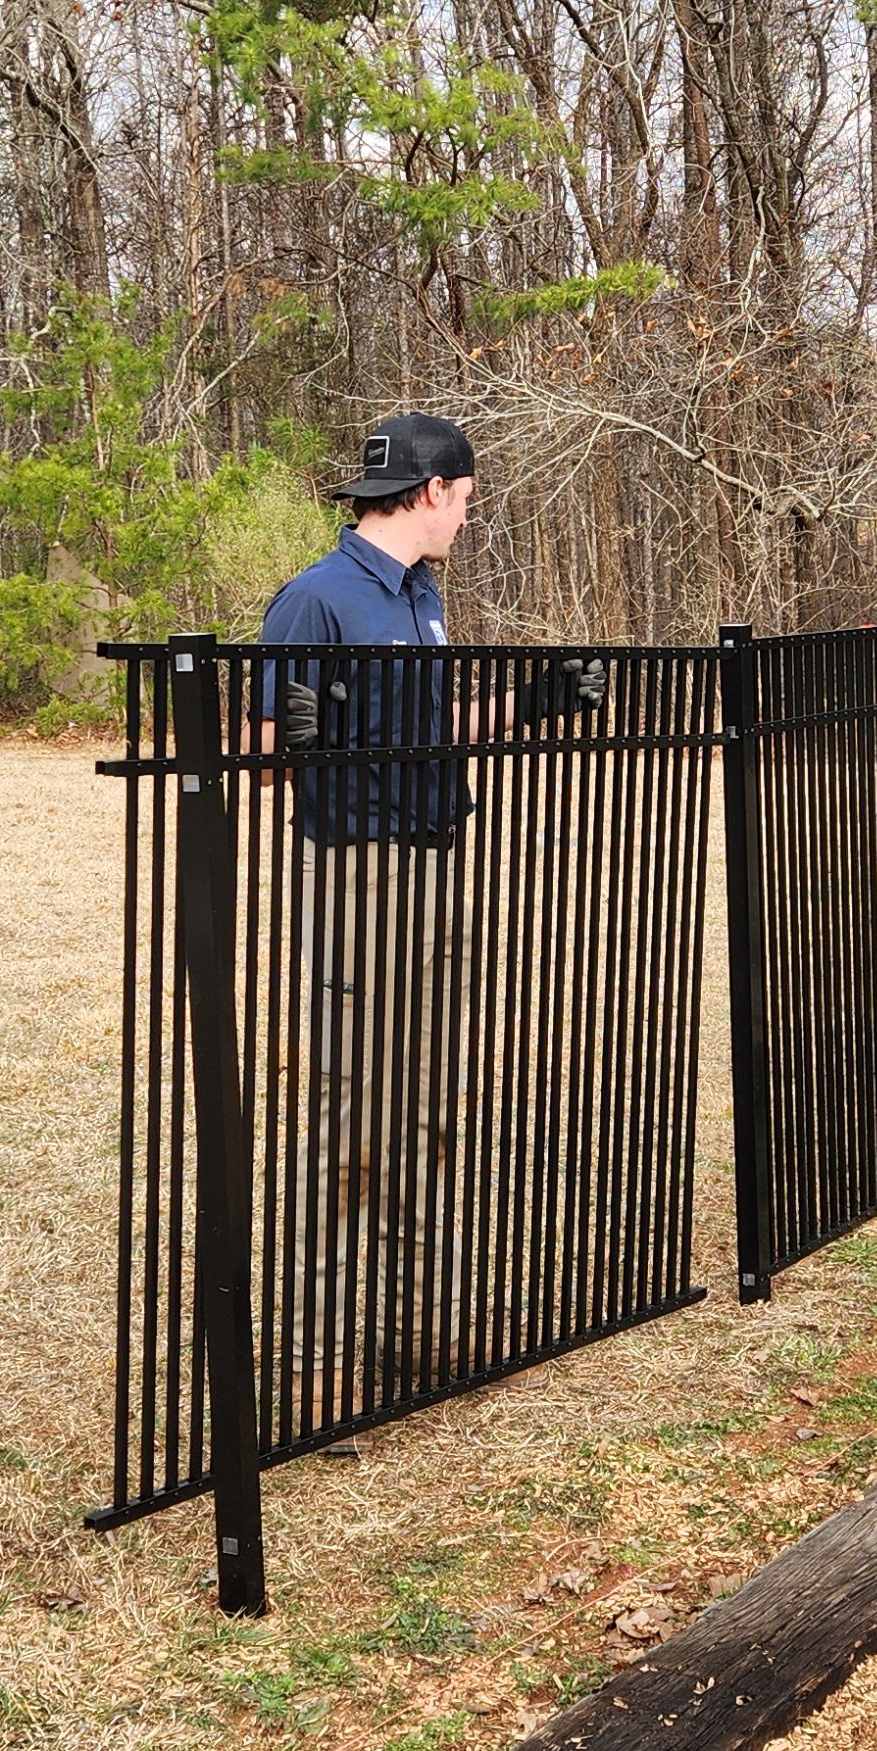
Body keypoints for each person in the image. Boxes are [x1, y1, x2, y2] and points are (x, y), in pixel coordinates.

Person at [253, 415, 601, 1409]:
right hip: (358, 874)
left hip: (438, 863)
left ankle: (429, 1331)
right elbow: (263, 739)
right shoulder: (314, 600)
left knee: (439, 1101)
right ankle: (316, 1360)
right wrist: (301, 744)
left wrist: (532, 704)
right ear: (428, 492)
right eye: (465, 499)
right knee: (348, 1107)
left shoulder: (421, 595)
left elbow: (429, 729)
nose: (467, 517)